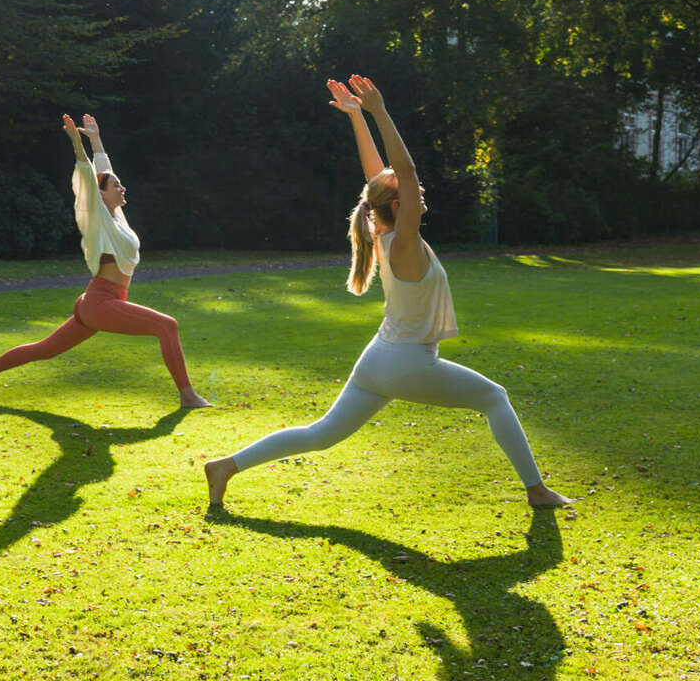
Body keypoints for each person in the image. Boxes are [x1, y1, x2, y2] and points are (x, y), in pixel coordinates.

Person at [205, 75, 570, 510]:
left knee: (320, 434)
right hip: (406, 361)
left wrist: (358, 118)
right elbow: (404, 173)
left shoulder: (383, 233)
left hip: (379, 357)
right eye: (413, 193)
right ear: (401, 207)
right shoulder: (404, 243)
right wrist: (379, 111)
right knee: (494, 397)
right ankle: (536, 490)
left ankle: (226, 465)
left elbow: (377, 178)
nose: (420, 191)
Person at [0, 113, 210, 408]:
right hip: (101, 304)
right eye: (116, 186)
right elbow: (88, 177)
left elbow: (104, 170)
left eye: (121, 185)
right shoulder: (99, 217)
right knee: (167, 326)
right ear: (102, 195)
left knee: (45, 349)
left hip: (95, 302)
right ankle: (187, 395)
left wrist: (95, 138)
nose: (122, 188)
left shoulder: (117, 217)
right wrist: (76, 143)